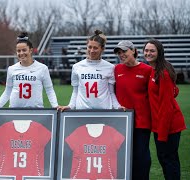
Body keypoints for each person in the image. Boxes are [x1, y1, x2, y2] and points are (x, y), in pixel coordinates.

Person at [143, 39, 186, 180]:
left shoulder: (163, 73)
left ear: (159, 52)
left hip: (169, 125)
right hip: (159, 125)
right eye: (146, 50)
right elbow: (175, 91)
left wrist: (162, 134)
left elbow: (166, 107)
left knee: (169, 160)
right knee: (165, 159)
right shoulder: (152, 70)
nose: (148, 53)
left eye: (152, 51)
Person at [113, 40, 152, 180]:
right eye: (119, 52)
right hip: (121, 123)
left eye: (124, 51)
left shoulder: (147, 70)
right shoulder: (116, 69)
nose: (121, 54)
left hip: (142, 122)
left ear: (133, 51)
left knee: (141, 156)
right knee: (121, 156)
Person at [0, 32, 58, 108]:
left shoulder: (42, 68)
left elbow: (49, 90)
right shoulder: (11, 69)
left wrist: (56, 106)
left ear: (30, 50)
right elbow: (7, 91)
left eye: (24, 50)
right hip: (15, 111)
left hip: (36, 112)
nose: (21, 53)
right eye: (18, 51)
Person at [60, 30, 121, 110]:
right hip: (82, 112)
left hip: (104, 112)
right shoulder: (76, 67)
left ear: (102, 49)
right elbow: (75, 91)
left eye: (95, 48)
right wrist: (70, 106)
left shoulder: (109, 67)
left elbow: (111, 92)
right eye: (90, 47)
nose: (92, 51)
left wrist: (118, 106)